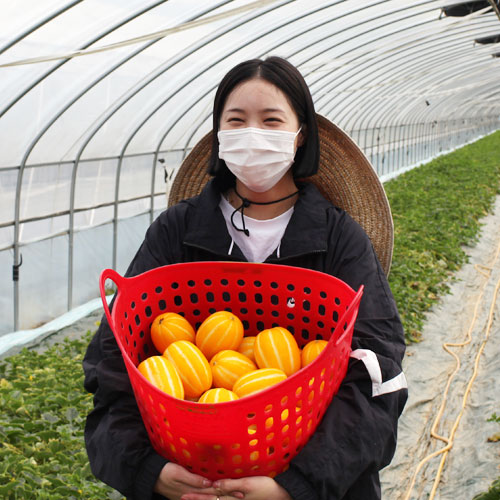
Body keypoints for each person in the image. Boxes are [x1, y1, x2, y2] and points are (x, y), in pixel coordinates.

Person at [83, 56, 408, 500]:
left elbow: (377, 373)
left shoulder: (338, 238)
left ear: (300, 136)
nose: (253, 134)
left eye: (271, 121)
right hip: (191, 474)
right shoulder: (177, 231)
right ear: (219, 135)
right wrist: (147, 469)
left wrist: (295, 485)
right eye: (236, 121)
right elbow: (114, 361)